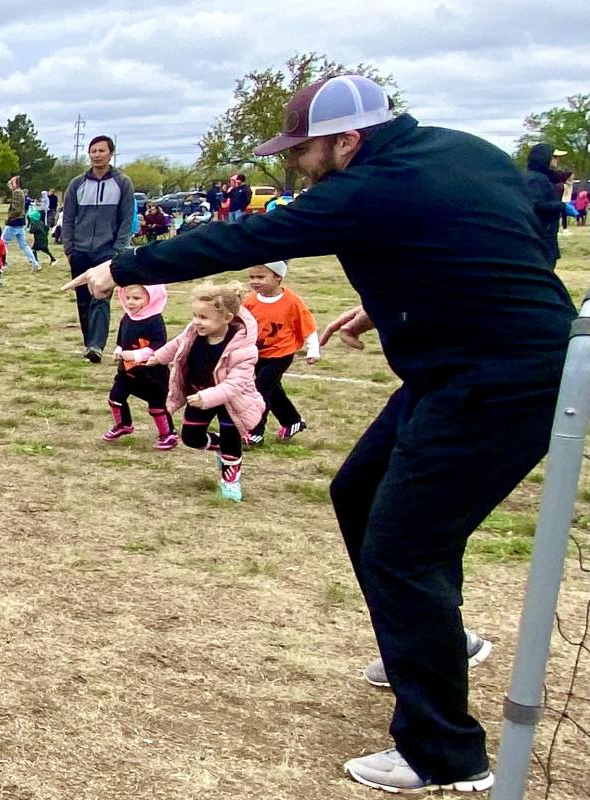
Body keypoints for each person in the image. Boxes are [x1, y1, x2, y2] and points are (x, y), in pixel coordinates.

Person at [65, 73, 576, 793]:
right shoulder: (464, 152)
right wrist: (383, 305)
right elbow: (512, 238)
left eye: (304, 150)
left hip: (500, 382)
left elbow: (250, 236)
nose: (296, 163)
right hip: (463, 369)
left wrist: (125, 266)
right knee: (359, 493)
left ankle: (445, 755)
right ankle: (434, 644)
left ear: (348, 140)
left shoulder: (367, 187)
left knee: (405, 547)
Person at [147, 281, 262, 501]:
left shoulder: (244, 348)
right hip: (197, 394)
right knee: (190, 437)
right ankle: (220, 445)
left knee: (231, 439)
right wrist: (158, 356)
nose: (196, 322)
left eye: (203, 317)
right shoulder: (193, 332)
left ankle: (230, 478)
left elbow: (235, 384)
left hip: (230, 401)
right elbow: (178, 344)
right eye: (195, 315)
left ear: (227, 319)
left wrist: (207, 397)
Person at [63, 135, 135, 363]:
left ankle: (97, 345)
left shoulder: (122, 183)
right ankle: (89, 344)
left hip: (107, 251)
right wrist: (69, 247)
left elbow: (126, 218)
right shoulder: (77, 184)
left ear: (110, 153)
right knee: (83, 299)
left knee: (101, 296)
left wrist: (118, 248)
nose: (97, 155)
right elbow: (68, 217)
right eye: (93, 151)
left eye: (101, 150)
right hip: (80, 251)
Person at [241, 260, 319, 445]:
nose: (255, 281)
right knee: (273, 389)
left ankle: (255, 432)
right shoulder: (250, 301)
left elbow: (309, 326)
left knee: (260, 390)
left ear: (278, 277)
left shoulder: (292, 302)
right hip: (257, 353)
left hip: (280, 354)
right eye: (252, 277)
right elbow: (241, 326)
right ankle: (293, 421)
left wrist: (313, 349)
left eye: (260, 277)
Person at [102, 283, 176, 450]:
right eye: (127, 298)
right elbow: (122, 339)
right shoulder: (127, 318)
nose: (130, 302)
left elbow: (159, 346)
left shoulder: (155, 321)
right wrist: (119, 348)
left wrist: (137, 355)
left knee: (157, 406)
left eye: (136, 298)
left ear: (151, 299)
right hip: (127, 371)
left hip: (152, 374)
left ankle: (168, 434)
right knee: (115, 398)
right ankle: (123, 424)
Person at [523, 143, 570, 268]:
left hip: (546, 238)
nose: (557, 159)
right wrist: (561, 206)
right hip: (541, 239)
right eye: (554, 156)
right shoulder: (537, 179)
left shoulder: (544, 178)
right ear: (544, 157)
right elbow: (534, 206)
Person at [2, 176, 41, 273]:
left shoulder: (17, 193)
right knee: (23, 245)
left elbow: (16, 208)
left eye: (11, 183)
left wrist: (9, 218)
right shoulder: (19, 192)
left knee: (3, 243)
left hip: (14, 222)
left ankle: (4, 264)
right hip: (20, 222)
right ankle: (35, 263)